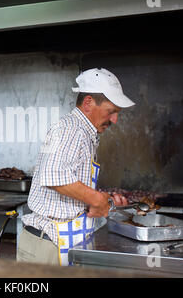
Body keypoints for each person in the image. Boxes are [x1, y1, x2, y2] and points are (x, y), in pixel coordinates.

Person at [17, 68, 135, 266]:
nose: (115, 120)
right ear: (88, 103)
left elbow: (68, 188)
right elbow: (53, 176)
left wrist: (104, 202)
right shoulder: (70, 129)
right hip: (47, 247)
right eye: (111, 111)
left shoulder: (85, 135)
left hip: (62, 243)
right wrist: (96, 199)